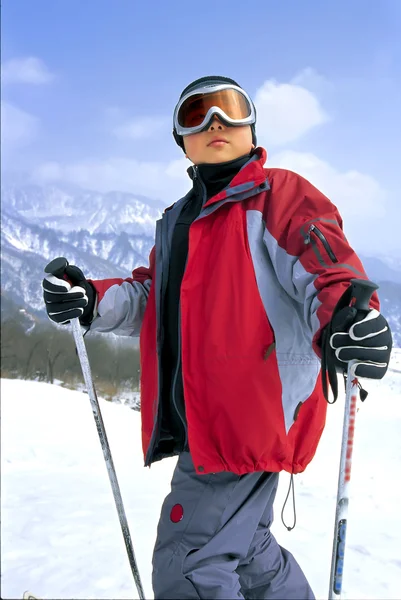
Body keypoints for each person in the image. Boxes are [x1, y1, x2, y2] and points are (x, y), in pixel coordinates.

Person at [42, 76, 392, 599]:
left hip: (249, 418)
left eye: (230, 110)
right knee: (247, 550)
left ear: (252, 128)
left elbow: (324, 268)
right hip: (205, 425)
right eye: (196, 114)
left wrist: (347, 317)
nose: (215, 124)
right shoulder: (178, 221)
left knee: (188, 560)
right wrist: (91, 299)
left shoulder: (279, 196)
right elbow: (151, 295)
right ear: (180, 139)